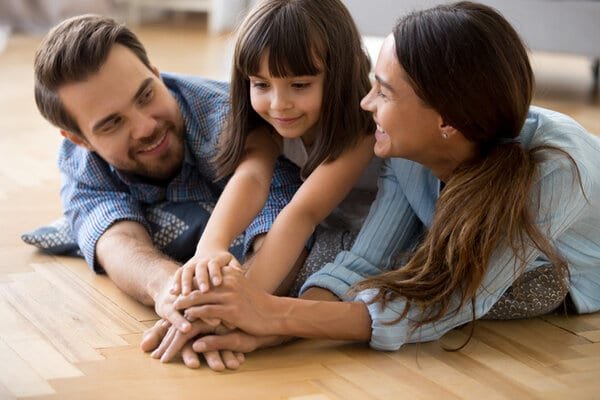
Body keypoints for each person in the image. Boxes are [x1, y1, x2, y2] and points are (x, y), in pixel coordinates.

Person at [145, 1, 600, 365]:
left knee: (455, 278)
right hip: (441, 255)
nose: (365, 102)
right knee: (380, 268)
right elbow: (364, 260)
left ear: (448, 119)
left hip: (560, 274)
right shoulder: (404, 150)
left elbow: (447, 303)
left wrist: (276, 315)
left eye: (383, 91)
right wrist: (252, 321)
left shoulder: (556, 168)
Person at [33, 14, 303, 370]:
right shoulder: (79, 159)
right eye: (113, 123)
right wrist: (171, 294)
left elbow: (286, 219)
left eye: (146, 95)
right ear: (80, 140)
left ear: (157, 74)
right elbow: (115, 240)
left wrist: (229, 307)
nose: (145, 127)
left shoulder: (228, 118)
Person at [171, 0, 377, 299]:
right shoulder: (268, 125)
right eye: (261, 84)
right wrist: (210, 248)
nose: (279, 104)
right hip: (323, 224)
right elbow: (251, 177)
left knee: (309, 278)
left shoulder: (364, 127)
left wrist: (245, 304)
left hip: (375, 236)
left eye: (300, 85)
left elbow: (303, 213)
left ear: (341, 74)